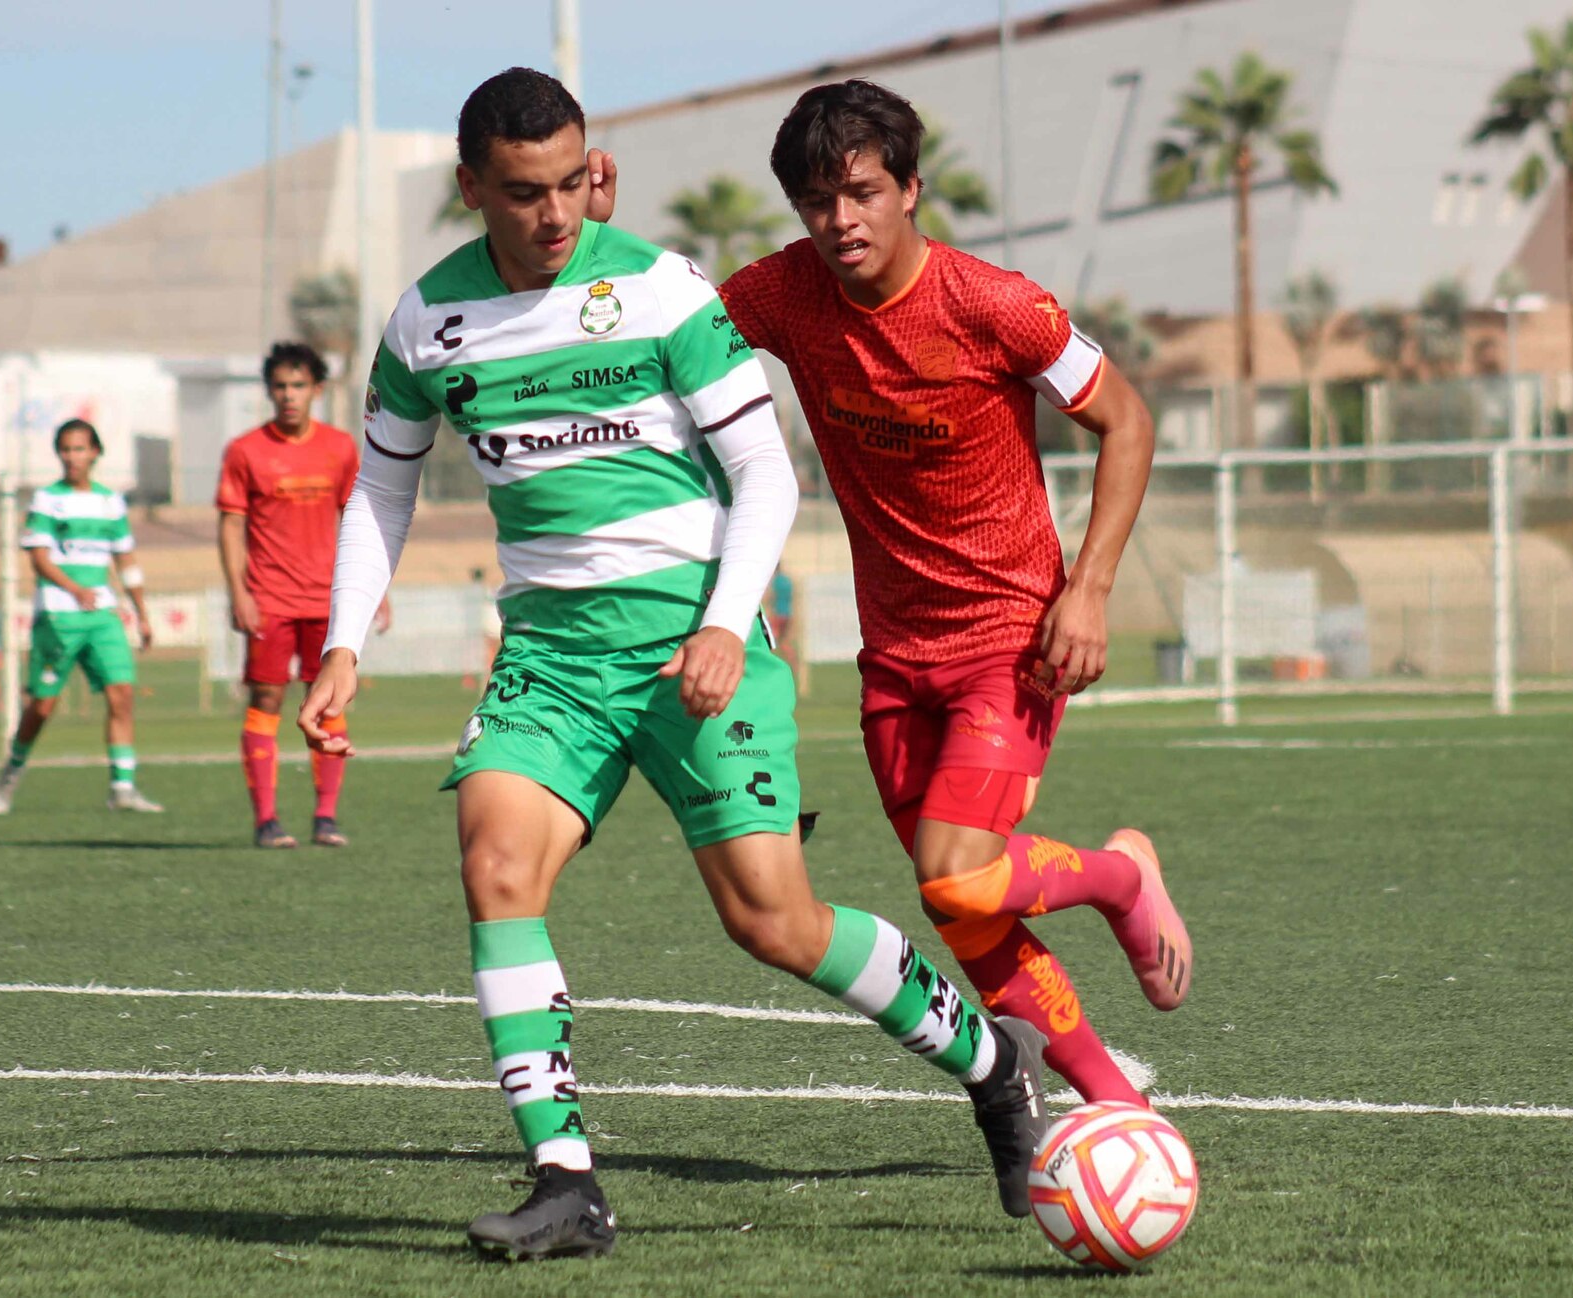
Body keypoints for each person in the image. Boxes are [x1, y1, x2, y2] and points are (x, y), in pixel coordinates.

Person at [297, 67, 1049, 1263]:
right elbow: (383, 482)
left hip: (701, 638)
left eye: (569, 183)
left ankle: (994, 1058)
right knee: (495, 860)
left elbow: (765, 474)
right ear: (471, 187)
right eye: (524, 192)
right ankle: (564, 1178)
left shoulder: (659, 288)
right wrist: (343, 639)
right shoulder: (424, 322)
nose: (555, 213)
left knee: (773, 919)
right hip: (551, 654)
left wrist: (722, 620)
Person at [657, 80, 1189, 1110]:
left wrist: (1089, 590)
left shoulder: (997, 304)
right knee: (966, 908)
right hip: (893, 653)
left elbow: (1129, 420)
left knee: (955, 870)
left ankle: (1122, 878)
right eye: (816, 201)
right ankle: (1111, 1103)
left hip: (1011, 636)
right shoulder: (780, 293)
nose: (839, 221)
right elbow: (669, 337)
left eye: (859, 192)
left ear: (910, 187)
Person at [217, 342, 387, 849]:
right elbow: (230, 525)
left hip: (327, 600)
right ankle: (267, 820)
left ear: (317, 389)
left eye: (298, 386)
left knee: (330, 696)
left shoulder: (338, 448)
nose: (288, 396)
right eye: (280, 387)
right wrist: (239, 590)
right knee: (266, 698)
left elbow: (362, 520)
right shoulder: (245, 451)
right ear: (269, 391)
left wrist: (374, 588)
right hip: (269, 597)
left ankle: (326, 817)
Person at [0, 419, 160, 815]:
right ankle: (11, 771)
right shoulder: (48, 500)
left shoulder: (110, 502)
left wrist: (142, 613)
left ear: (95, 452)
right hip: (59, 617)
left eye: (79, 449)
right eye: (65, 449)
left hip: (102, 616)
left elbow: (126, 560)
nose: (72, 457)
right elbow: (39, 558)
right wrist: (73, 588)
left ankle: (123, 787)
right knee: (43, 707)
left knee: (122, 694)